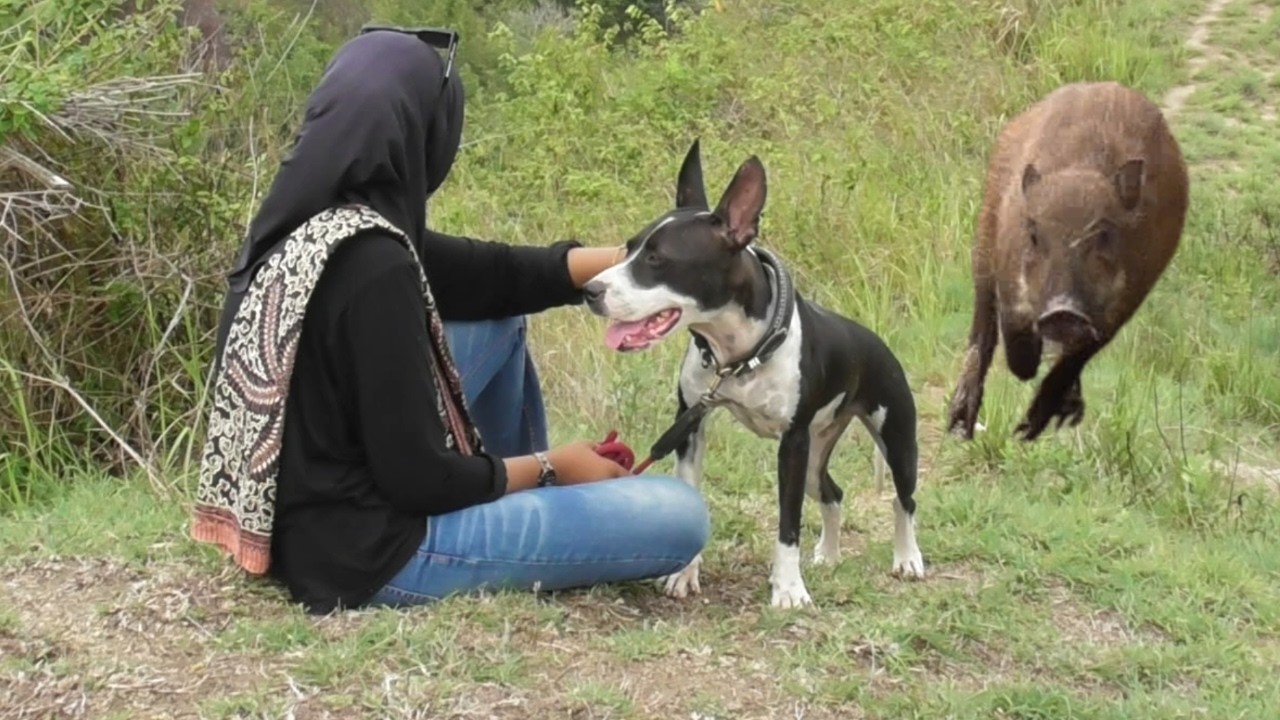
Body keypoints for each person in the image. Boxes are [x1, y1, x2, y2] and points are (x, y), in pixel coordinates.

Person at [189, 27, 709, 615]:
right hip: (371, 553)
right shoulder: (375, 267)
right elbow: (419, 482)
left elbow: (494, 276)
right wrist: (553, 467)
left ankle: (516, 490)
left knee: (497, 320)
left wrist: (642, 263)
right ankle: (528, 494)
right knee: (678, 516)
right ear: (425, 132)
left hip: (305, 526)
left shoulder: (308, 219)